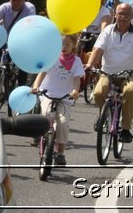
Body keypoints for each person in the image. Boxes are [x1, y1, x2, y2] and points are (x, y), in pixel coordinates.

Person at [88, 2, 133, 145]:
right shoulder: (108, 31)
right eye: (120, 14)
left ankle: (126, 129)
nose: (123, 17)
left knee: (130, 91)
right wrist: (90, 64)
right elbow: (98, 49)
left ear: (132, 16)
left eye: (127, 14)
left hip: (130, 74)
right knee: (98, 93)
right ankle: (103, 116)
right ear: (115, 14)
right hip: (108, 72)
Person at [32, 33, 84, 166]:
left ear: (73, 46)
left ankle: (60, 153)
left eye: (67, 44)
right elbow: (42, 73)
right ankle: (40, 137)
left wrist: (75, 91)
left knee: (63, 123)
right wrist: (36, 87)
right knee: (44, 116)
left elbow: (77, 79)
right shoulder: (52, 57)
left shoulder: (77, 61)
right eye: (61, 44)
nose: (64, 47)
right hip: (48, 93)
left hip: (65, 97)